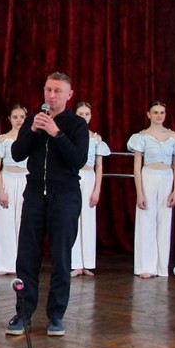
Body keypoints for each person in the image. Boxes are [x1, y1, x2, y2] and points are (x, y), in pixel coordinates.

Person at [5, 72, 88, 337]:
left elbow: (78, 160)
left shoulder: (76, 125)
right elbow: (17, 154)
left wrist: (56, 133)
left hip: (64, 196)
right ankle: (23, 313)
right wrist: (32, 131)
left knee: (61, 257)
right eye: (48, 90)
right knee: (26, 256)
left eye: (57, 91)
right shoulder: (33, 120)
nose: (51, 95)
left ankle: (56, 316)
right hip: (34, 194)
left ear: (69, 95)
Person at [127, 101, 175, 279]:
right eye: (156, 112)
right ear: (149, 114)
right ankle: (146, 266)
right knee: (146, 221)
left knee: (164, 222)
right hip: (148, 176)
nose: (159, 115)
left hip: (167, 177)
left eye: (162, 112)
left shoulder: (173, 136)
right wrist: (140, 193)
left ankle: (161, 267)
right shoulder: (141, 136)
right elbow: (137, 167)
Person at [0, 105, 28, 275]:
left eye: (22, 117)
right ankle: (4, 264)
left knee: (23, 223)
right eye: (15, 117)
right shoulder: (3, 140)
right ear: (10, 119)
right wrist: (2, 190)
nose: (19, 120)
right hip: (7, 180)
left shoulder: (30, 139)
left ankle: (22, 264)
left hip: (25, 180)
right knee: (5, 223)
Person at [71, 101, 111, 277]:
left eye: (87, 114)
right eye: (80, 114)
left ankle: (86, 262)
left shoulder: (95, 138)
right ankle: (74, 263)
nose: (84, 117)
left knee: (87, 219)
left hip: (89, 177)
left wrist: (97, 190)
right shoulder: (70, 135)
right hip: (73, 177)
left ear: (91, 116)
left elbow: (99, 166)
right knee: (72, 219)